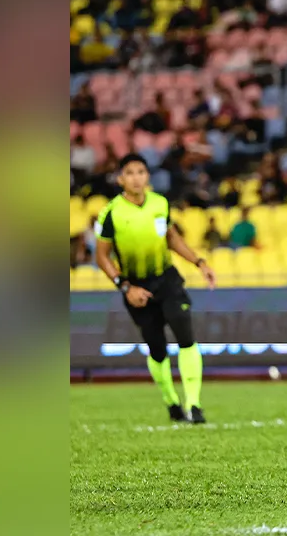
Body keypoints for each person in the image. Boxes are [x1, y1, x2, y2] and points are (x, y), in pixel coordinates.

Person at [93, 154, 217, 423]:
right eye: (130, 173)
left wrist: (199, 261)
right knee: (157, 349)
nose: (136, 177)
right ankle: (172, 402)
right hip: (136, 286)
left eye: (141, 171)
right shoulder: (111, 213)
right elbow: (102, 256)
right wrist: (125, 287)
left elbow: (171, 238)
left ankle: (194, 405)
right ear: (120, 179)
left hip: (167, 280)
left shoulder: (160, 204)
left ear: (147, 176)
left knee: (185, 335)